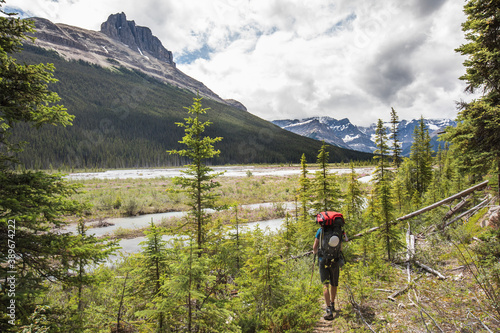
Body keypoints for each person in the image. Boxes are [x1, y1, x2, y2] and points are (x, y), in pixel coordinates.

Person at [313, 227, 347, 320]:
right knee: (334, 283)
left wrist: (315, 252)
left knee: (325, 284)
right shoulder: (338, 231)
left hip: (323, 260)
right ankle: (332, 304)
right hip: (335, 260)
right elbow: (340, 247)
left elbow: (315, 246)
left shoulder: (321, 230)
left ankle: (328, 310)